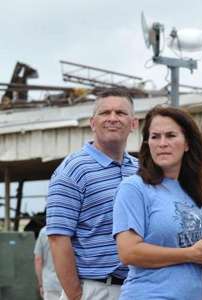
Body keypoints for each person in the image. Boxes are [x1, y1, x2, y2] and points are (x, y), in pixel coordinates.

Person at [113, 106, 202, 300]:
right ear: (147, 143)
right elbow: (128, 252)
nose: (162, 143)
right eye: (155, 137)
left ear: (187, 143)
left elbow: (193, 247)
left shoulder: (195, 192)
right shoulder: (134, 188)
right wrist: (190, 254)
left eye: (171, 135)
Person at [46, 88, 138, 300]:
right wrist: (76, 296)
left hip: (137, 288)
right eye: (105, 113)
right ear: (92, 122)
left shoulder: (140, 171)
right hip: (96, 290)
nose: (112, 118)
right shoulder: (72, 171)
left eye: (121, 113)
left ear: (134, 124)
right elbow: (58, 239)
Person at [34, 226, 63, 300]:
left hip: (49, 282)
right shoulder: (69, 229)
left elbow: (38, 259)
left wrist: (41, 284)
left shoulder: (43, 232)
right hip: (68, 281)